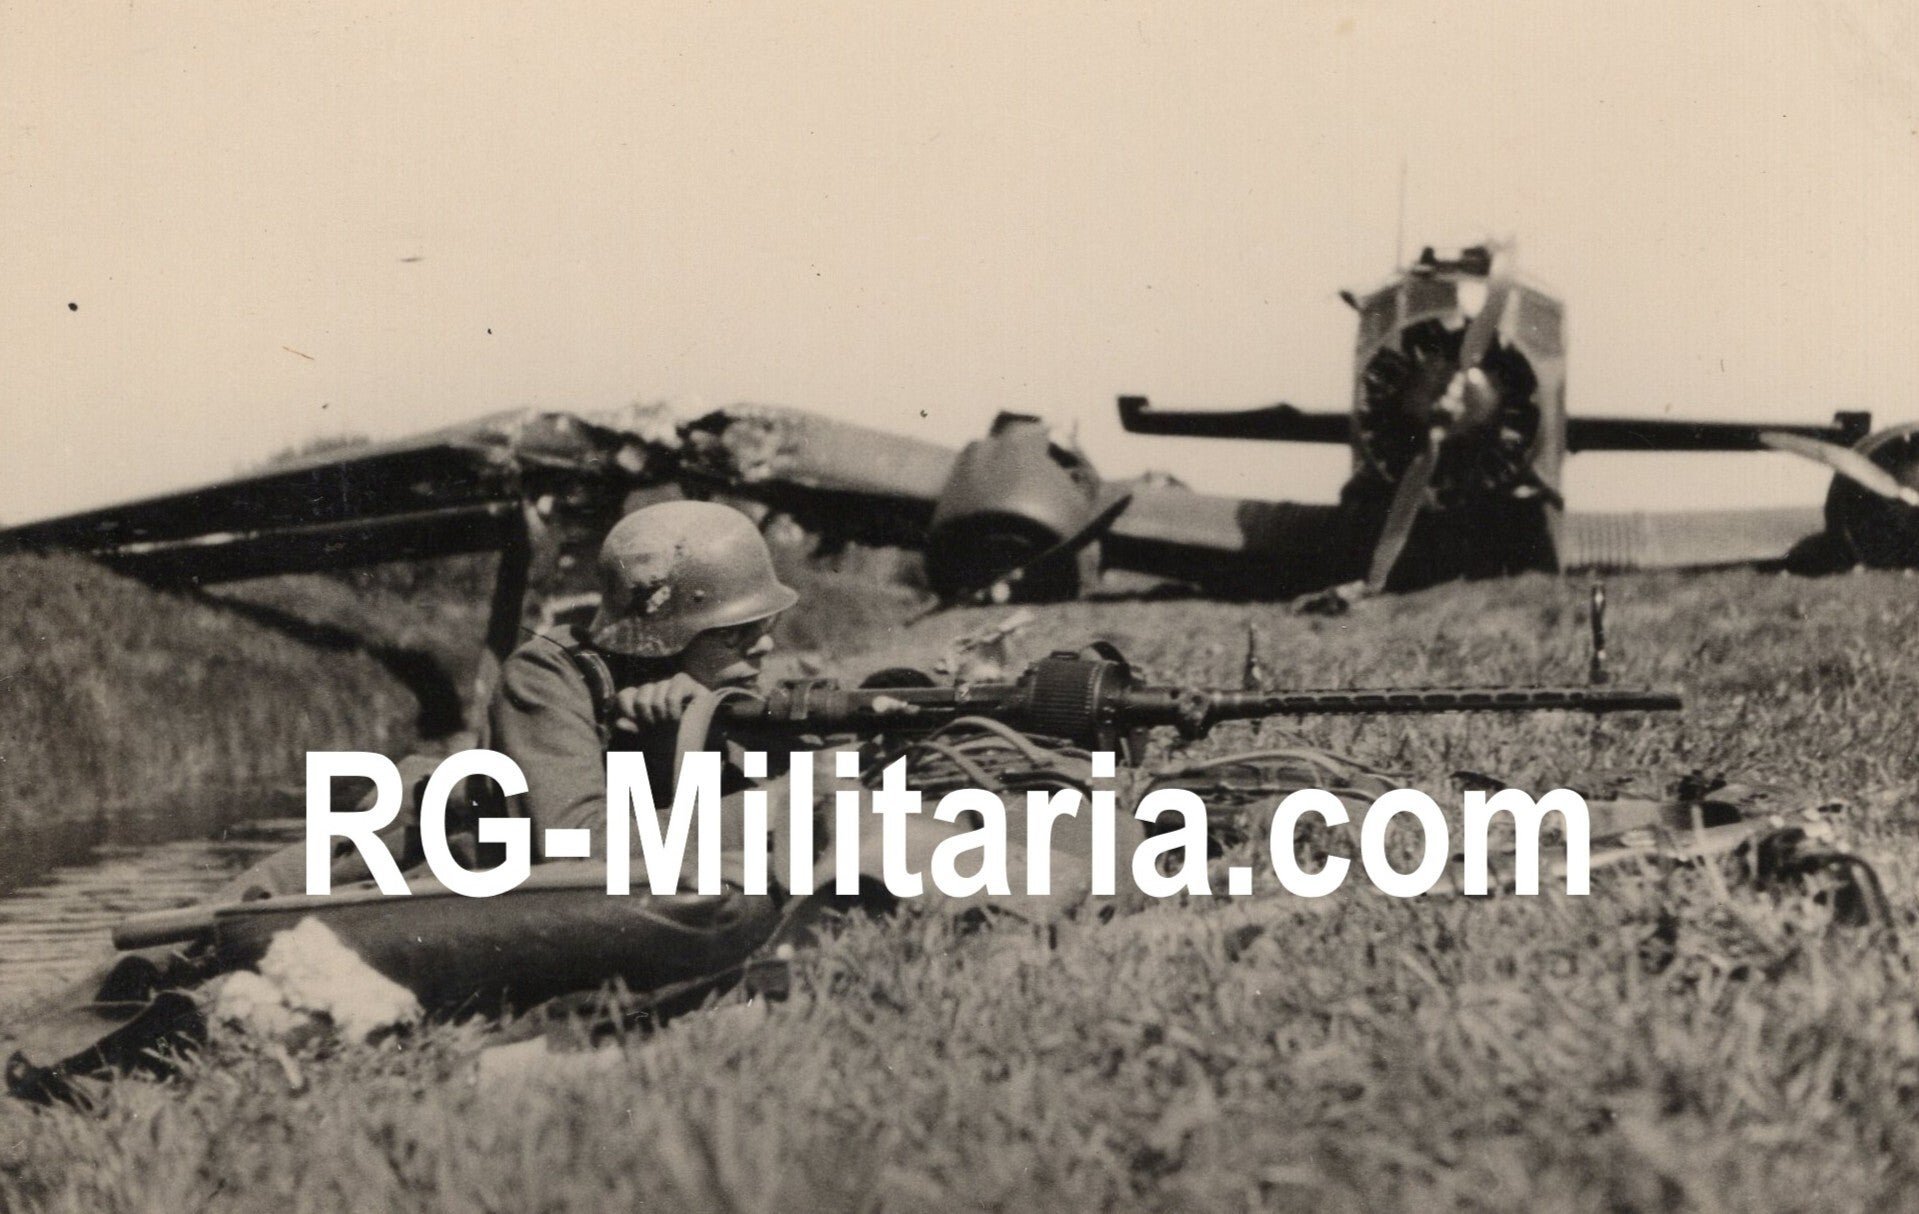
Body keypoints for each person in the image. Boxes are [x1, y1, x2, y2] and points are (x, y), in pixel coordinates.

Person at [488, 498, 806, 861]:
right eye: (735, 632)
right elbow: (574, 846)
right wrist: (773, 808)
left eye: (765, 624)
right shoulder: (550, 676)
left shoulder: (719, 690)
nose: (765, 644)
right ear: (666, 637)